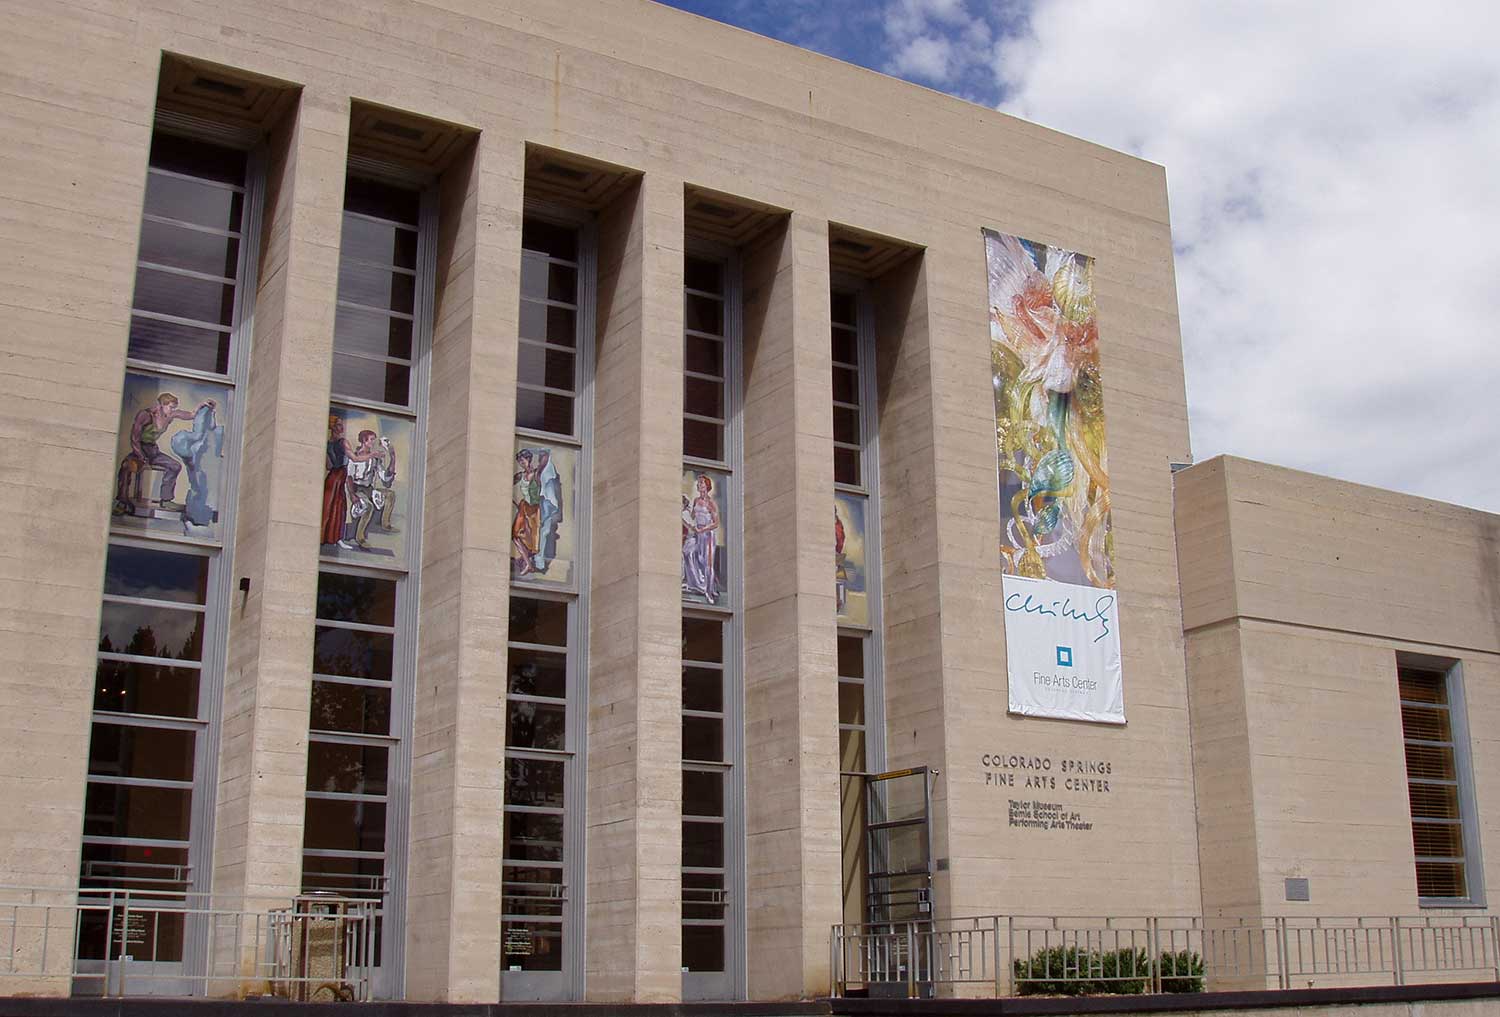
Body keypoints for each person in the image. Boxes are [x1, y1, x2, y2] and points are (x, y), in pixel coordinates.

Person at [114, 392, 212, 516]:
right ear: (161, 405)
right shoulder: (145, 415)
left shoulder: (169, 415)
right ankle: (122, 502)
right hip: (139, 449)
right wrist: (140, 456)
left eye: (174, 408)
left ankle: (166, 500)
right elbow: (134, 438)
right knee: (125, 467)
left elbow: (191, 415)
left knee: (175, 466)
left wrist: (201, 405)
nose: (172, 411)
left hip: (153, 451)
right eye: (171, 407)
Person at [322, 416, 385, 550]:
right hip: (339, 476)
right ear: (333, 427)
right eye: (339, 425)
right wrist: (372, 455)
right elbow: (355, 458)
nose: (342, 427)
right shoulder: (343, 442)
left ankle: (330, 537)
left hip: (332, 477)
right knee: (338, 507)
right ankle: (336, 538)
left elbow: (328, 465)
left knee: (330, 506)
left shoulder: (327, 444)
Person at [682, 473, 720, 604]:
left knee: (707, 564)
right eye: (698, 483)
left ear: (707, 486)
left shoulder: (711, 503)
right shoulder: (696, 501)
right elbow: (693, 516)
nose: (699, 485)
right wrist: (686, 509)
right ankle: (696, 584)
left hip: (707, 535)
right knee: (688, 552)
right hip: (697, 533)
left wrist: (703, 529)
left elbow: (716, 523)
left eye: (702, 483)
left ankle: (709, 592)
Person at [512, 449, 550, 576]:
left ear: (528, 459)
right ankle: (528, 564)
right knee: (515, 535)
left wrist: (544, 453)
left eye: (523, 460)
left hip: (534, 510)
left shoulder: (536, 474)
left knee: (532, 539)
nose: (521, 463)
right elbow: (506, 483)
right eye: (519, 462)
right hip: (524, 507)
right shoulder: (519, 476)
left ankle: (529, 562)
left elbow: (544, 462)